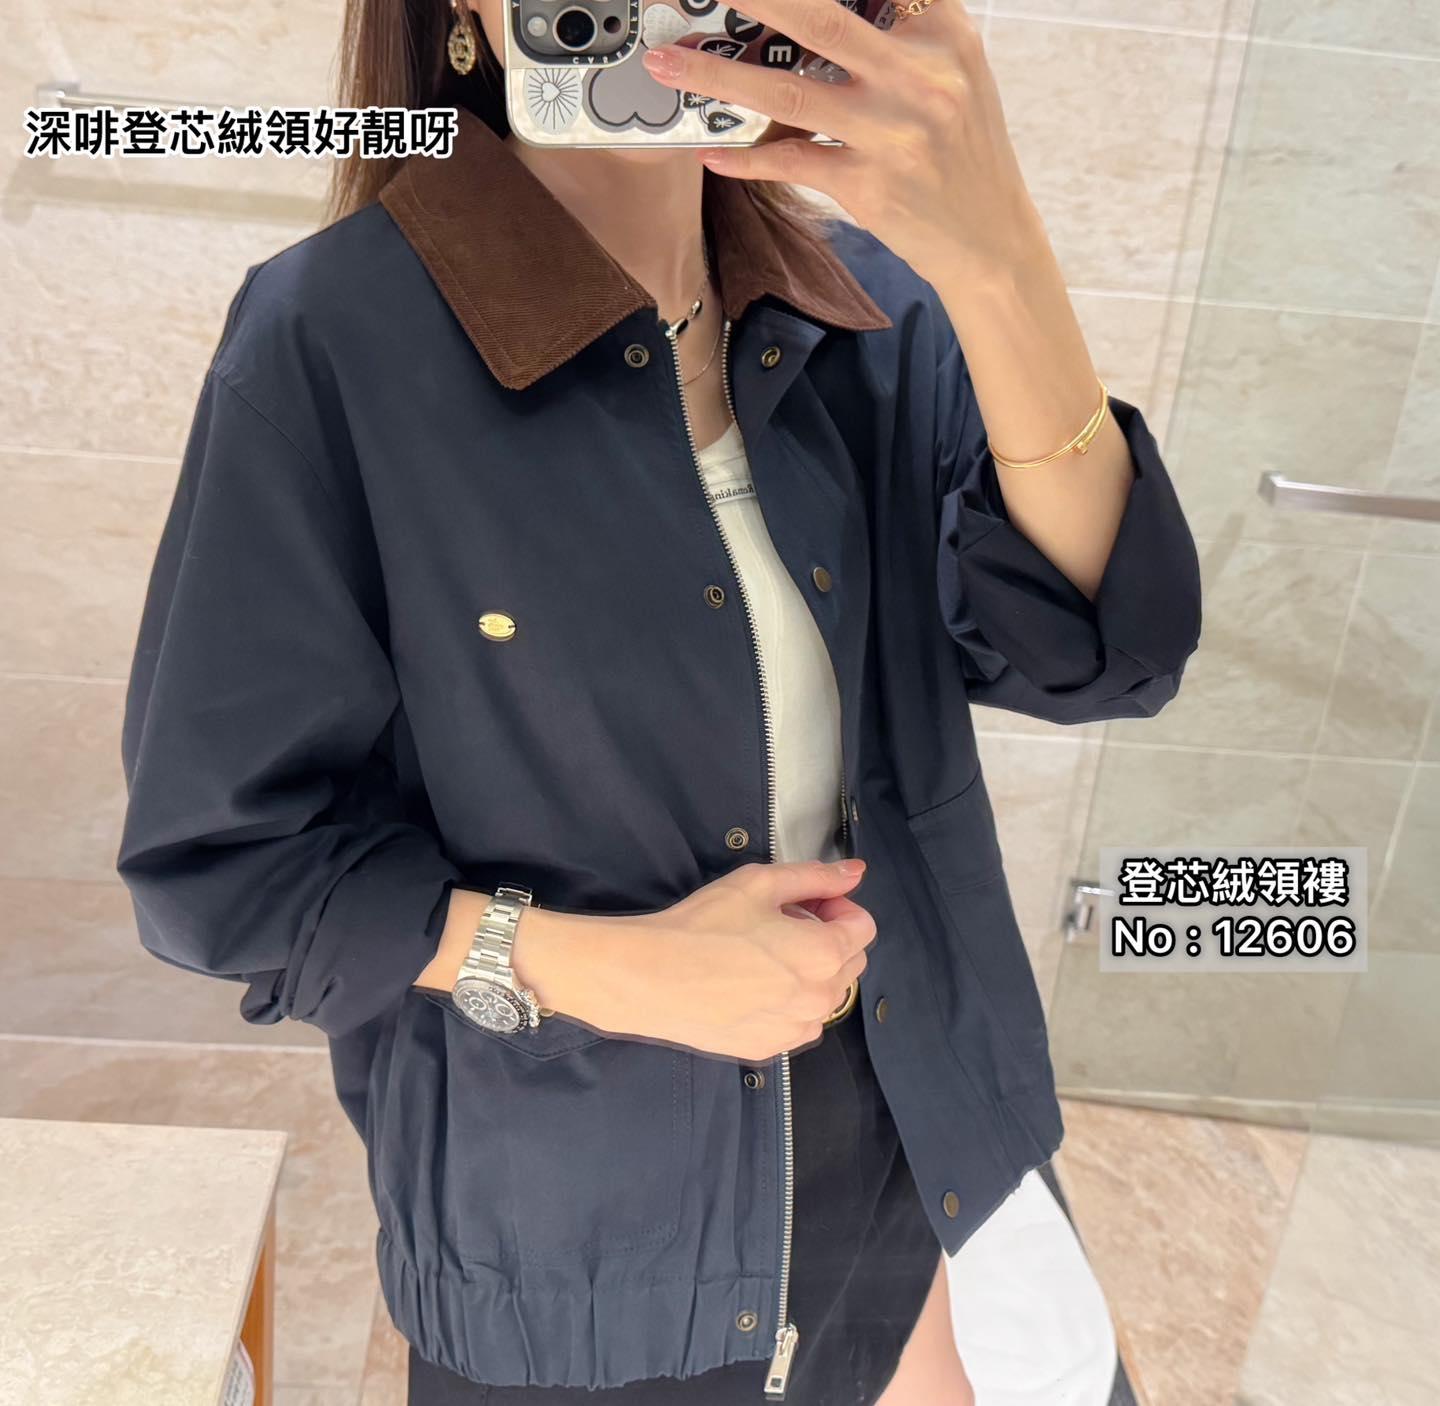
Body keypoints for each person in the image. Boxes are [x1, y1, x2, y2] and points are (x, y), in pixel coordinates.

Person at [115, 0, 1203, 1401]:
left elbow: (1100, 650)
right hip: (583, 1251)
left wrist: (997, 253)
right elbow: (225, 866)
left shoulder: (871, 310)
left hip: (926, 1166)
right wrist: (613, 967)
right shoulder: (330, 338)